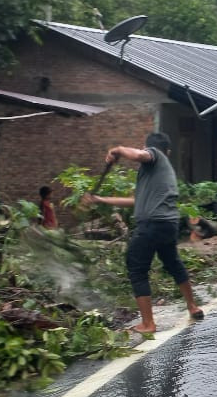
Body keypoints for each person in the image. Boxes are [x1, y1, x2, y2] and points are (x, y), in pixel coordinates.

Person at [82, 133, 204, 332]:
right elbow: (134, 201)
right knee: (173, 263)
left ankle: (148, 323)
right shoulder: (159, 175)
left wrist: (118, 149)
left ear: (150, 148)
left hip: (152, 224)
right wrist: (100, 200)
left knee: (136, 267)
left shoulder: (154, 156)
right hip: (168, 225)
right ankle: (192, 306)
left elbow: (140, 156)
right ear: (169, 151)